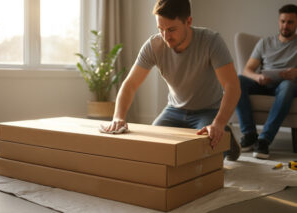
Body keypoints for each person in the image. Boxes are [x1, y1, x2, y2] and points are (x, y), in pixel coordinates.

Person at [104, 0, 241, 161]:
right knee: (152, 148)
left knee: (203, 155)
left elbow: (232, 87)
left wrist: (218, 123)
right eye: (160, 29)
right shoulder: (153, 46)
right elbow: (130, 84)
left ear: (188, 21)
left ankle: (225, 134)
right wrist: (118, 117)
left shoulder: (211, 41)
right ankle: (221, 130)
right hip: (174, 110)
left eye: (171, 29)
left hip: (209, 110)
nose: (165, 36)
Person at [236, 4, 297, 159]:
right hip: (263, 83)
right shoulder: (264, 43)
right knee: (237, 80)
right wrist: (258, 77)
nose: (285, 25)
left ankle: (264, 140)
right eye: (283, 21)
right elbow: (247, 69)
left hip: (286, 85)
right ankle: (249, 134)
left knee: (288, 86)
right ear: (278, 21)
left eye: (290, 22)